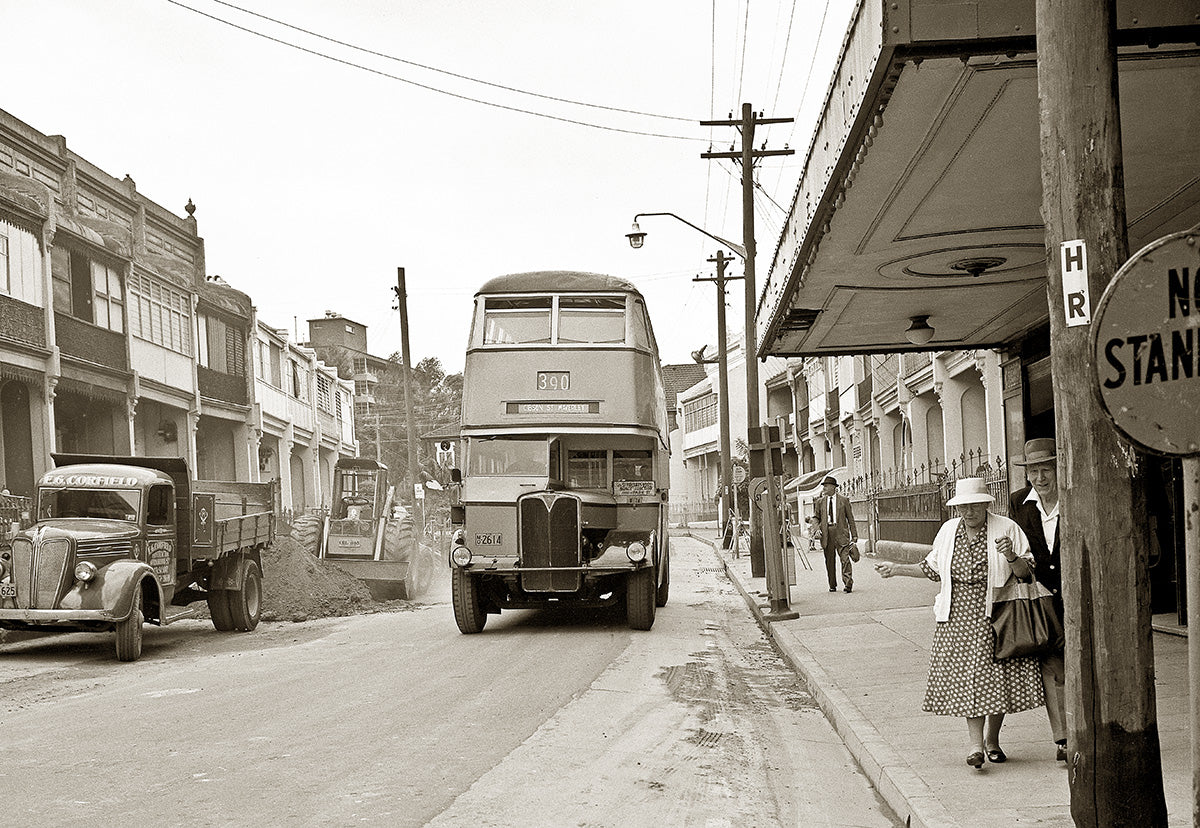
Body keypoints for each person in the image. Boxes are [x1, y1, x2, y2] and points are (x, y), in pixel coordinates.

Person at [874, 477, 1045, 770]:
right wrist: (897, 569)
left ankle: (992, 740)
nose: (969, 512)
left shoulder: (1006, 528)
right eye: (963, 507)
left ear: (986, 504)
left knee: (997, 679)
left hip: (998, 615)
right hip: (957, 618)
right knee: (970, 680)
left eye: (974, 506)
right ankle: (975, 746)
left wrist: (1010, 555)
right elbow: (932, 569)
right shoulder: (949, 531)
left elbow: (1026, 574)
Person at [1009, 437, 1067, 762]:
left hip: (1077, 595)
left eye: (1046, 469)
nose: (1040, 478)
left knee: (1081, 666)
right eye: (1033, 471)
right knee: (1053, 668)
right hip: (1041, 601)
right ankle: (1064, 739)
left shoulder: (1074, 495)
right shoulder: (1019, 503)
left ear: (1058, 468)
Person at [816, 476, 857, 593]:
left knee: (845, 559)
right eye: (824, 486)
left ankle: (848, 583)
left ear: (833, 487)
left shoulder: (844, 500)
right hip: (827, 533)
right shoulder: (820, 502)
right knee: (829, 561)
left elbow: (850, 518)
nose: (824, 488)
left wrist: (854, 535)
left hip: (841, 533)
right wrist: (817, 529)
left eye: (826, 486)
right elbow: (816, 518)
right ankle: (832, 584)